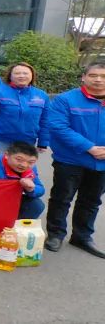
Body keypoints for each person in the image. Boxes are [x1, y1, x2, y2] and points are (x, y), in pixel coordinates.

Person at [44, 62, 105, 257]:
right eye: (93, 75)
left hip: (102, 163)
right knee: (62, 198)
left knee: (91, 201)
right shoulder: (65, 100)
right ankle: (55, 234)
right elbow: (58, 127)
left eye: (103, 76)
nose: (98, 80)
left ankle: (82, 236)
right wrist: (89, 148)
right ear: (83, 77)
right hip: (70, 160)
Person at [0, 62, 50, 159]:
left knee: (21, 167)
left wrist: (43, 142)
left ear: (32, 76)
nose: (21, 76)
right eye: (17, 73)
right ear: (10, 76)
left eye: (25, 73)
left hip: (27, 141)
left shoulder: (41, 95)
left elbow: (45, 120)